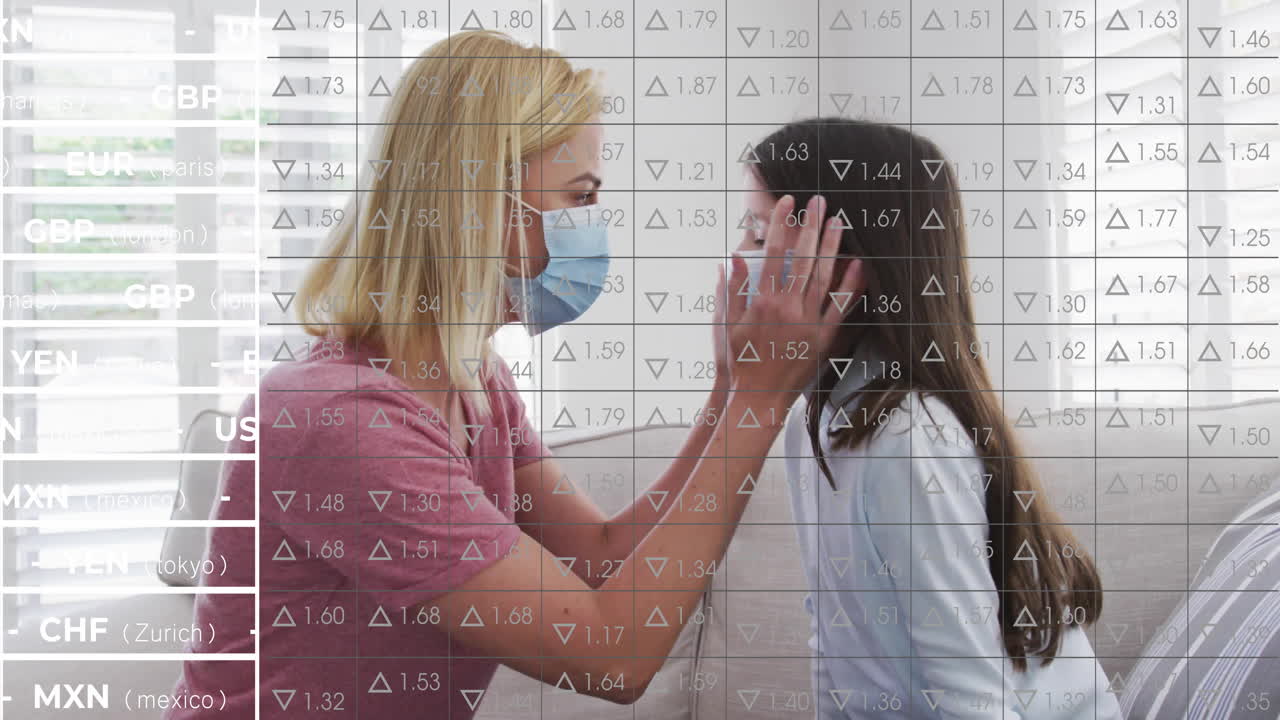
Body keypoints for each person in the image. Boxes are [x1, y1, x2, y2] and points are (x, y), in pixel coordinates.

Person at [164, 32, 862, 718]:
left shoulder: (476, 385)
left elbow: (601, 556)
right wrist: (761, 404)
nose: (594, 225)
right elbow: (610, 656)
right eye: (579, 197)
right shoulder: (336, 419)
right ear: (478, 202)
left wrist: (731, 387)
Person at [733, 118, 1124, 719]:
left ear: (845, 264)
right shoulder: (813, 423)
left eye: (762, 237)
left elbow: (971, 700)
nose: (741, 260)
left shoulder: (907, 441)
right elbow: (834, 650)